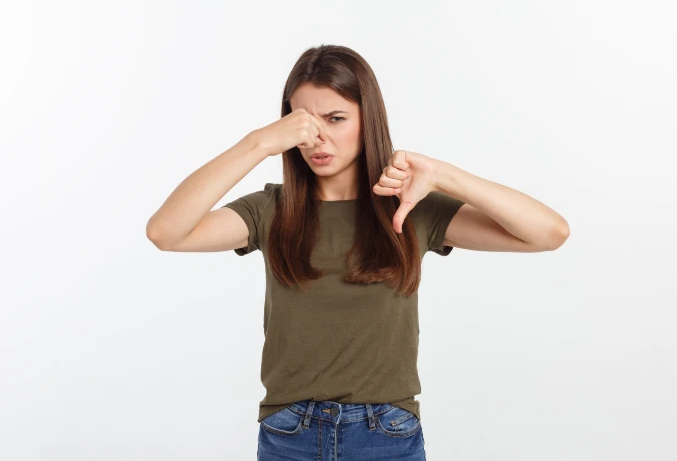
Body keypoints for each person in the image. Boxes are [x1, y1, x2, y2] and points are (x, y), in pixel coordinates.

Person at [146, 44, 570, 461]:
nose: (317, 137)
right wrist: (258, 144)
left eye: (335, 118)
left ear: (368, 120)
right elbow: (166, 232)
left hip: (385, 432)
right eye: (302, 123)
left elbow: (548, 233)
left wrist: (442, 175)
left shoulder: (409, 208)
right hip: (289, 432)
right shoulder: (272, 209)